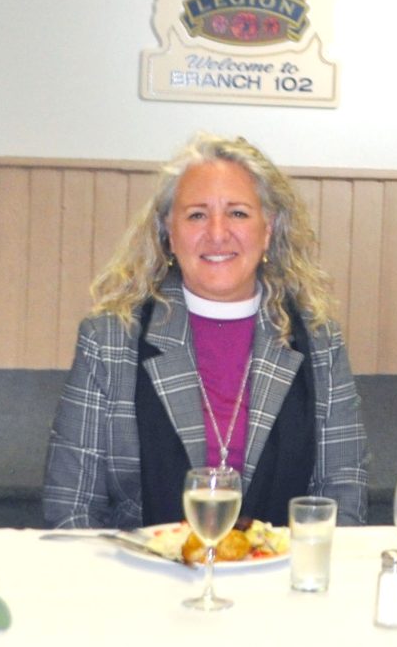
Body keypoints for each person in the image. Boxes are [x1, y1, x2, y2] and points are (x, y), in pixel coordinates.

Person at [44, 135, 366, 529]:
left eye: (238, 213)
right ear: (168, 232)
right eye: (196, 215)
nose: (217, 233)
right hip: (141, 579)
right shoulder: (110, 339)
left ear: (268, 229)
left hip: (279, 579)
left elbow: (343, 497)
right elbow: (71, 508)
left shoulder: (319, 341)